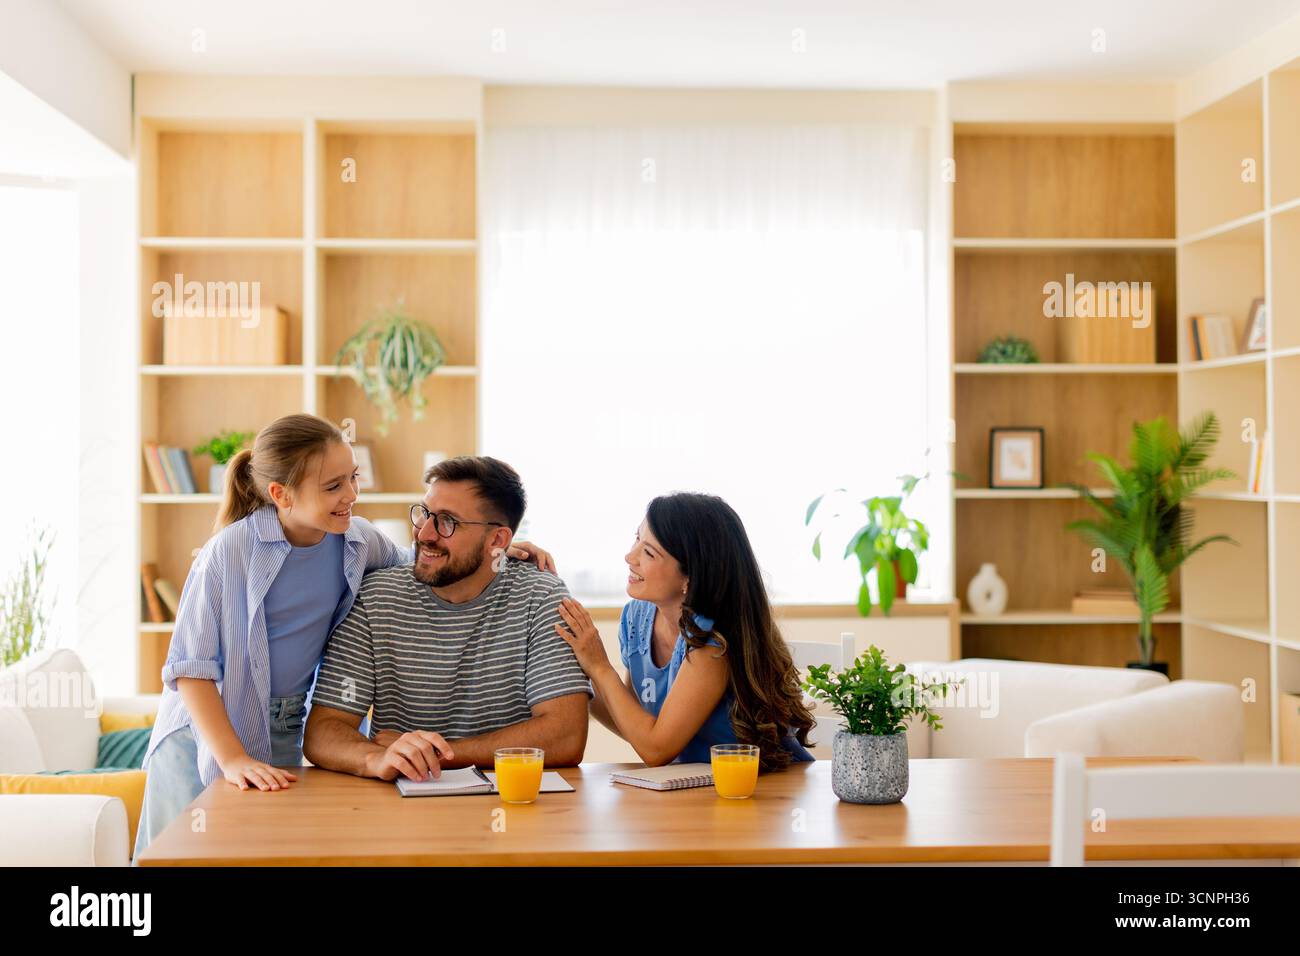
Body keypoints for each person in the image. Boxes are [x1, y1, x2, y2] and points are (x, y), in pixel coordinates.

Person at [134, 417, 550, 860]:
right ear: (281, 495)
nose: (351, 494)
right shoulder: (228, 552)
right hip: (207, 729)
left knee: (260, 854)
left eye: (352, 478)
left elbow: (425, 563)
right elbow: (191, 671)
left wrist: (501, 551)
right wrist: (233, 758)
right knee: (178, 855)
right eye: (333, 486)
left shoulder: (356, 540)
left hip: (285, 726)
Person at [304, 456, 592, 781]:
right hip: (402, 811)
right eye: (424, 514)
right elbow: (322, 732)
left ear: (497, 540)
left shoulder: (540, 596)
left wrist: (438, 754)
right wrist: (377, 758)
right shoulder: (376, 598)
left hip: (516, 807)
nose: (425, 533)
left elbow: (566, 736)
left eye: (447, 522)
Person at [555, 492, 816, 771]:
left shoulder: (713, 644)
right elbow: (636, 722)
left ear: (690, 576)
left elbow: (656, 749)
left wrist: (599, 666)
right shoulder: (637, 617)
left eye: (649, 552)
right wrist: (574, 676)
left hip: (760, 788)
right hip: (696, 786)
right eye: (636, 539)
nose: (630, 557)